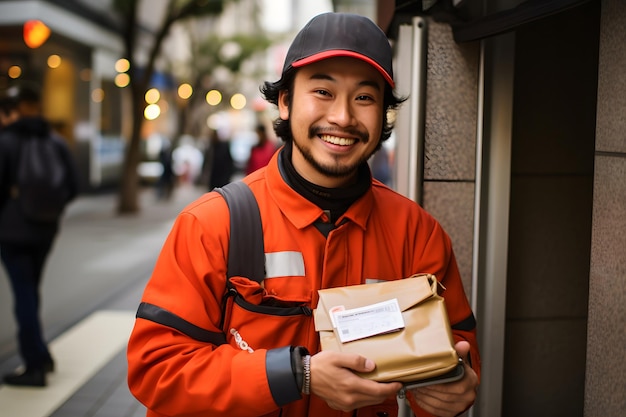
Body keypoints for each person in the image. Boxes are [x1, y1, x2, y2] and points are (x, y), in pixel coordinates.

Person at [127, 12, 480, 417]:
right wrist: (299, 375)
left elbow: (456, 356)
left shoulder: (417, 234)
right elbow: (156, 368)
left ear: (383, 113)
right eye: (323, 92)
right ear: (285, 100)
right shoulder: (212, 224)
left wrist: (454, 384)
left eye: (364, 97)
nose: (343, 117)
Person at [0, 82, 79, 387]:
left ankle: (34, 365)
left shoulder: (7, 141)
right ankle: (42, 355)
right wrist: (51, 209)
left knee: (23, 295)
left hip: (11, 232)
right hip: (46, 229)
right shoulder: (56, 140)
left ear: (14, 111)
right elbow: (73, 186)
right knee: (31, 291)